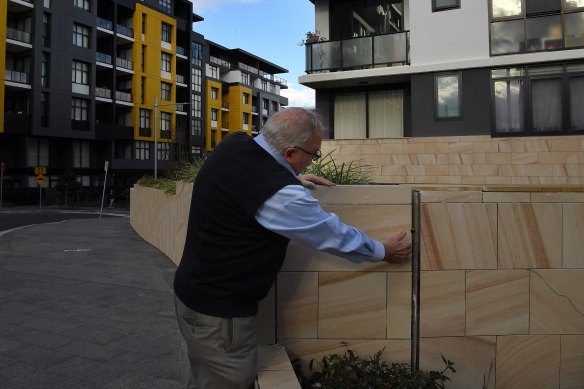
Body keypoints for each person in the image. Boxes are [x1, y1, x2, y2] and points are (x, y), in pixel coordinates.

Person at [173, 107, 411, 389]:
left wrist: (290, 179)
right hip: (220, 317)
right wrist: (383, 251)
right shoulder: (280, 194)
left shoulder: (234, 144)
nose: (311, 163)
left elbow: (242, 181)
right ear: (289, 153)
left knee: (204, 379)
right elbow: (332, 234)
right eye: (312, 154)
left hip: (191, 295)